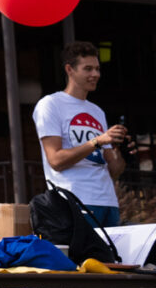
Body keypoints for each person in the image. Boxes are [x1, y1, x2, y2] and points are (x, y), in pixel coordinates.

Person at [37, 41, 129, 229]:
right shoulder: (51, 104)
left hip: (109, 201)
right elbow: (55, 160)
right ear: (70, 70)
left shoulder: (97, 111)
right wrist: (97, 141)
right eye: (88, 69)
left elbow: (114, 171)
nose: (95, 74)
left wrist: (121, 151)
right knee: (83, 258)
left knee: (112, 259)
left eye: (97, 69)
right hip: (75, 199)